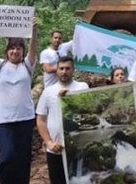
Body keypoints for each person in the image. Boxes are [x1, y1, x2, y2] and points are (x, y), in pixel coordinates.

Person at [0, 20, 38, 184]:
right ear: (7, 52)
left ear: (22, 51)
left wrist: (33, 32)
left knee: (23, 157)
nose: (15, 51)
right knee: (7, 155)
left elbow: (33, 48)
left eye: (18, 48)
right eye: (12, 48)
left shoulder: (27, 65)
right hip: (4, 120)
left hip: (25, 118)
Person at [36, 56, 89, 184]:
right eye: (61, 68)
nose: (64, 71)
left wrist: (68, 99)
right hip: (55, 149)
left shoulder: (82, 87)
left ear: (73, 70)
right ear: (57, 70)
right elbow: (40, 120)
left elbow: (87, 111)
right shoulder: (48, 91)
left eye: (67, 68)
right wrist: (49, 142)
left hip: (78, 148)